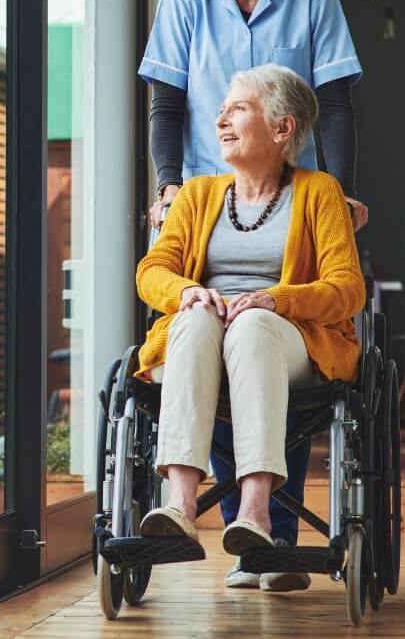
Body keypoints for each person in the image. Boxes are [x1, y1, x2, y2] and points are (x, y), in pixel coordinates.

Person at [138, 0, 367, 591]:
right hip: (210, 196)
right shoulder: (184, 2)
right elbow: (166, 106)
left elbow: (335, 106)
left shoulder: (314, 1)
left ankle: (270, 532)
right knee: (201, 328)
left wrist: (338, 192)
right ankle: (216, 516)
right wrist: (170, 188)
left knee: (261, 332)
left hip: (289, 202)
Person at [136, 65, 364, 572]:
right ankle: (180, 504)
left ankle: (256, 511)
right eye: (220, 110)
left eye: (237, 109)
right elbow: (152, 271)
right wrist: (188, 291)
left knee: (252, 325)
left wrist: (275, 301)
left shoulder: (320, 191)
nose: (221, 120)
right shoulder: (196, 194)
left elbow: (347, 288)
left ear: (283, 128)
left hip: (287, 339)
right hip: (203, 338)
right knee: (194, 317)